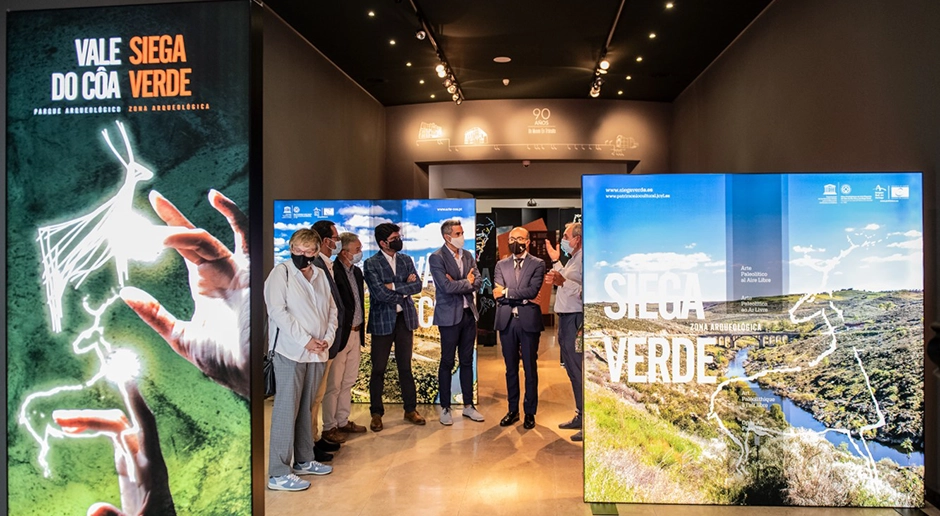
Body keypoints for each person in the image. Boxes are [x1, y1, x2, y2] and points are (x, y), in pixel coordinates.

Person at [263, 229, 337, 491]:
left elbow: (331, 310)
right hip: (290, 352)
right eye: (297, 250)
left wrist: (327, 338)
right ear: (291, 248)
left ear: (316, 252)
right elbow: (277, 312)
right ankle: (278, 472)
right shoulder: (281, 273)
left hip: (317, 353)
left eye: (307, 251)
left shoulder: (319, 275)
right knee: (286, 410)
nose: (302, 255)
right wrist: (306, 340)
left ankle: (305, 459)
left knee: (306, 408)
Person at [363, 222, 426, 431]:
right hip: (382, 321)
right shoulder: (371, 263)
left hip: (404, 320)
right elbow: (379, 293)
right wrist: (403, 291)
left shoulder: (406, 260)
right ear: (383, 243)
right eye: (394, 238)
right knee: (378, 369)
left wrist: (394, 286)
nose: (399, 241)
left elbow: (417, 286)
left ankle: (410, 409)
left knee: (405, 367)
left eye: (399, 237)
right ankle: (376, 413)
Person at [429, 220, 484, 425]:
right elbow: (445, 287)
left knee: (467, 361)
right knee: (447, 362)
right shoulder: (437, 257)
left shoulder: (468, 255)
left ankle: (468, 406)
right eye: (458, 233)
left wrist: (460, 283)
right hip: (448, 317)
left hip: (468, 315)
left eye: (462, 232)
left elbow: (478, 282)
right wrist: (466, 282)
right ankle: (445, 407)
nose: (462, 236)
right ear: (447, 237)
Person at [493, 227, 545, 430]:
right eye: (512, 238)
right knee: (510, 369)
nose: (515, 242)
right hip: (507, 322)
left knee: (530, 368)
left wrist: (507, 292)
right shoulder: (501, 264)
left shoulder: (538, 264)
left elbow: (532, 291)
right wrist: (520, 297)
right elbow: (497, 294)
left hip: (529, 322)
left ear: (528, 241)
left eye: (520, 238)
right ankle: (512, 410)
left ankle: (530, 412)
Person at [322, 232, 368, 442]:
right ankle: (329, 426)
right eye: (357, 249)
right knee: (334, 384)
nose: (360, 253)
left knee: (348, 381)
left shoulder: (356, 272)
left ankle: (342, 421)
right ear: (344, 252)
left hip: (356, 333)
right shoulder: (333, 272)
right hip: (341, 336)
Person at [309, 220, 346, 458]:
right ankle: (309, 445)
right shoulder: (315, 266)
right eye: (335, 237)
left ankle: (314, 438)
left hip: (328, 342)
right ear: (325, 241)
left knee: (319, 395)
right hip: (318, 343)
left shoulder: (327, 265)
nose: (338, 241)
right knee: (313, 397)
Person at [545, 222, 584, 442]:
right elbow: (565, 280)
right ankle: (580, 414)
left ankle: (587, 420)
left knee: (578, 370)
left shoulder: (585, 259)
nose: (563, 241)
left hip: (576, 320)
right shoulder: (573, 258)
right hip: (566, 319)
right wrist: (555, 261)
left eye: (566, 237)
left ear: (577, 239)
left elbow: (585, 292)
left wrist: (564, 282)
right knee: (571, 369)